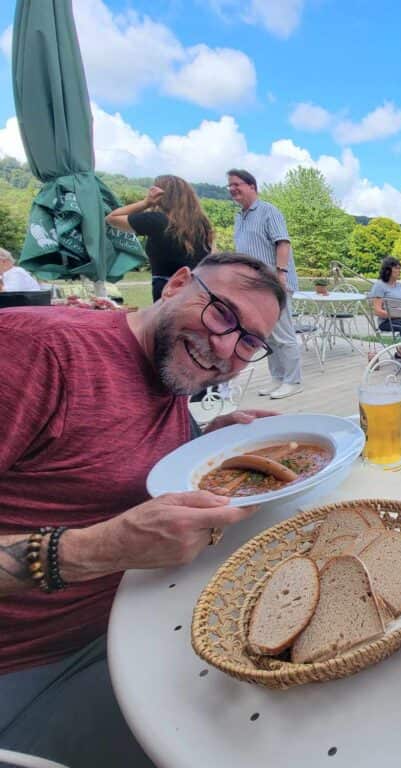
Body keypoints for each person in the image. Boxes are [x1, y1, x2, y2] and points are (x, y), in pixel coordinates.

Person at [0, 252, 284, 767]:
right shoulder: (36, 349)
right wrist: (97, 548)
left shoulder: (168, 366)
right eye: (222, 312)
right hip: (38, 665)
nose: (225, 347)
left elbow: (99, 458)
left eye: (249, 341)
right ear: (176, 283)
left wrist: (201, 442)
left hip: (141, 618)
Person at [228, 168, 303, 400]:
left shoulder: (269, 211)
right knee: (268, 335)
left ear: (252, 186)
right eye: (229, 186)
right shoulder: (239, 216)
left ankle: (293, 381)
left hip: (274, 284)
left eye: (236, 184)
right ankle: (278, 378)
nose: (232, 189)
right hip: (254, 287)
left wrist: (280, 276)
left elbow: (283, 243)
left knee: (283, 334)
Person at [106, 175, 214, 302]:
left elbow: (111, 218)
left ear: (162, 195)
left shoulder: (157, 220)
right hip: (198, 289)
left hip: (167, 291)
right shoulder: (202, 223)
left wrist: (146, 202)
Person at [369, 256, 401, 334]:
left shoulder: (400, 286)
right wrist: (400, 315)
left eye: (400, 268)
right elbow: (377, 311)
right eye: (396, 268)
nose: (400, 271)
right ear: (387, 270)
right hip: (386, 322)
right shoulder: (379, 286)